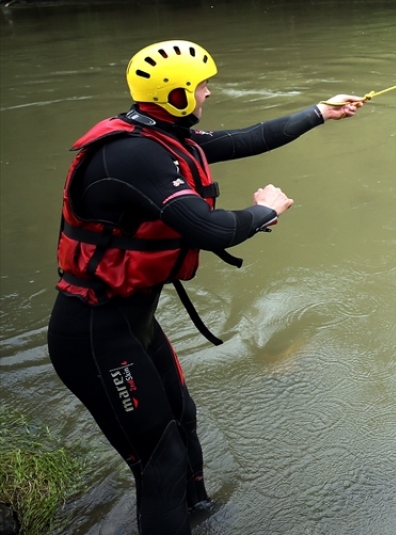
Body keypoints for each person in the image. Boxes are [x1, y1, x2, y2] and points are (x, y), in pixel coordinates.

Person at [46, 40, 364, 534]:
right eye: (200, 87)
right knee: (160, 461)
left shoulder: (163, 135)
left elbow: (247, 138)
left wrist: (320, 112)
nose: (209, 94)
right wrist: (266, 210)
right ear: (175, 96)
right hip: (93, 335)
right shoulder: (132, 156)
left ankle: (199, 516)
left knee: (182, 421)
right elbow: (209, 229)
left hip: (134, 323)